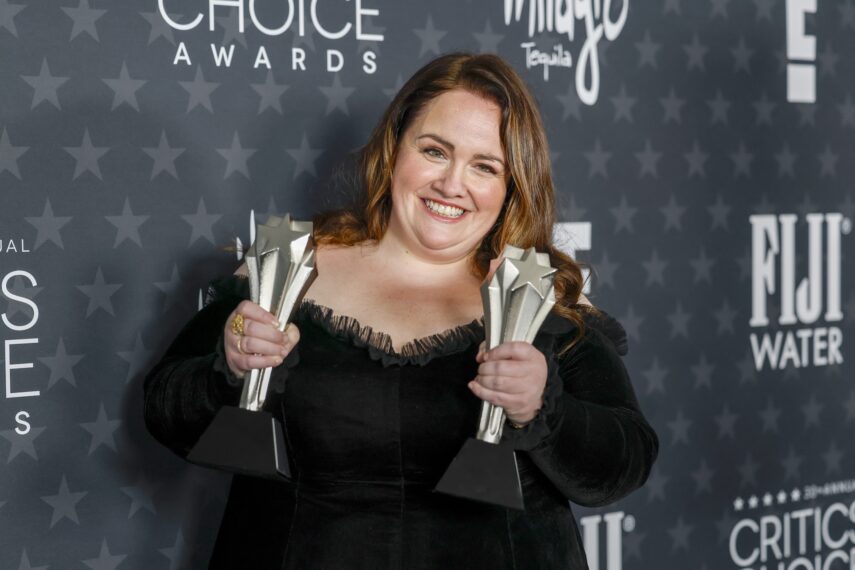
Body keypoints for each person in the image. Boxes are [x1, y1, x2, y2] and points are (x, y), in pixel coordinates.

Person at [144, 53, 658, 569]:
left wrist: (544, 407)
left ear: (510, 188)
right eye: (435, 151)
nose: (452, 184)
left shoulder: (542, 297)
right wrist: (227, 371)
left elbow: (624, 460)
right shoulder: (286, 268)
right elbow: (166, 407)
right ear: (394, 149)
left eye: (485, 166)